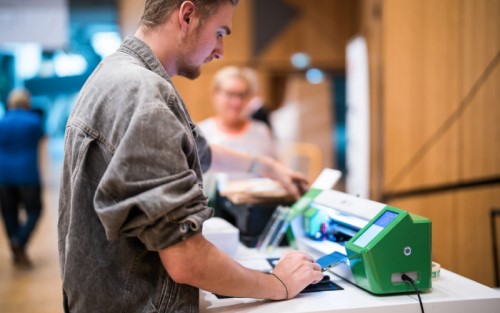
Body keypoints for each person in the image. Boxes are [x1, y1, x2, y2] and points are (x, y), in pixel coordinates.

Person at [58, 1, 323, 312]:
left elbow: (197, 150)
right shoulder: (145, 96)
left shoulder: (115, 73)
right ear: (186, 16)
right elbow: (187, 260)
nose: (221, 50)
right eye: (220, 33)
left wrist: (265, 166)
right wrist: (278, 284)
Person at [0, 89, 44, 269]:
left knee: (9, 213)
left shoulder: (2, 122)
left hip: (3, 175)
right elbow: (41, 142)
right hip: (27, 174)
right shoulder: (34, 121)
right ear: (27, 102)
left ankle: (16, 246)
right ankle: (20, 240)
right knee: (35, 209)